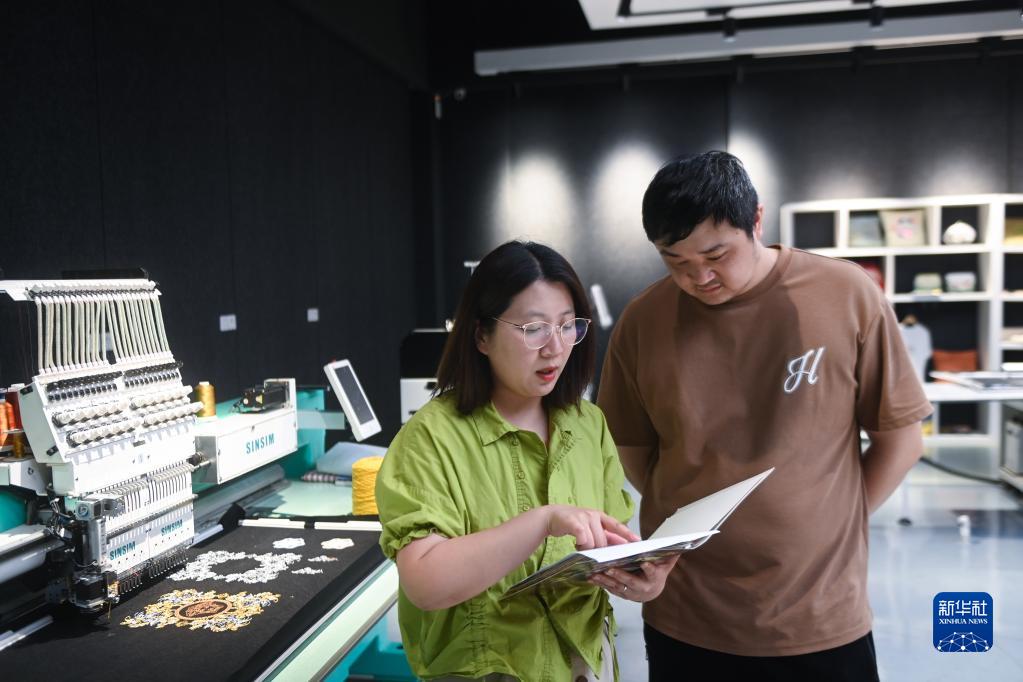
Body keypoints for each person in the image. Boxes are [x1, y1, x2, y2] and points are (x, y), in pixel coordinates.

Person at [597, 151, 932, 681]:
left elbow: (900, 439)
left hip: (818, 612)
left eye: (716, 254)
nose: (699, 276)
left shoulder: (846, 294)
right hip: (688, 611)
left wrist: (830, 523)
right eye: (675, 261)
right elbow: (635, 451)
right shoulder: (643, 320)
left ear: (756, 219)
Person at [375, 240, 677, 681]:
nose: (555, 347)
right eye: (534, 329)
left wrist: (640, 579)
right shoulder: (431, 438)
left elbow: (605, 547)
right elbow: (426, 584)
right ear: (481, 335)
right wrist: (542, 521)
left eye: (568, 325)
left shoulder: (588, 425)